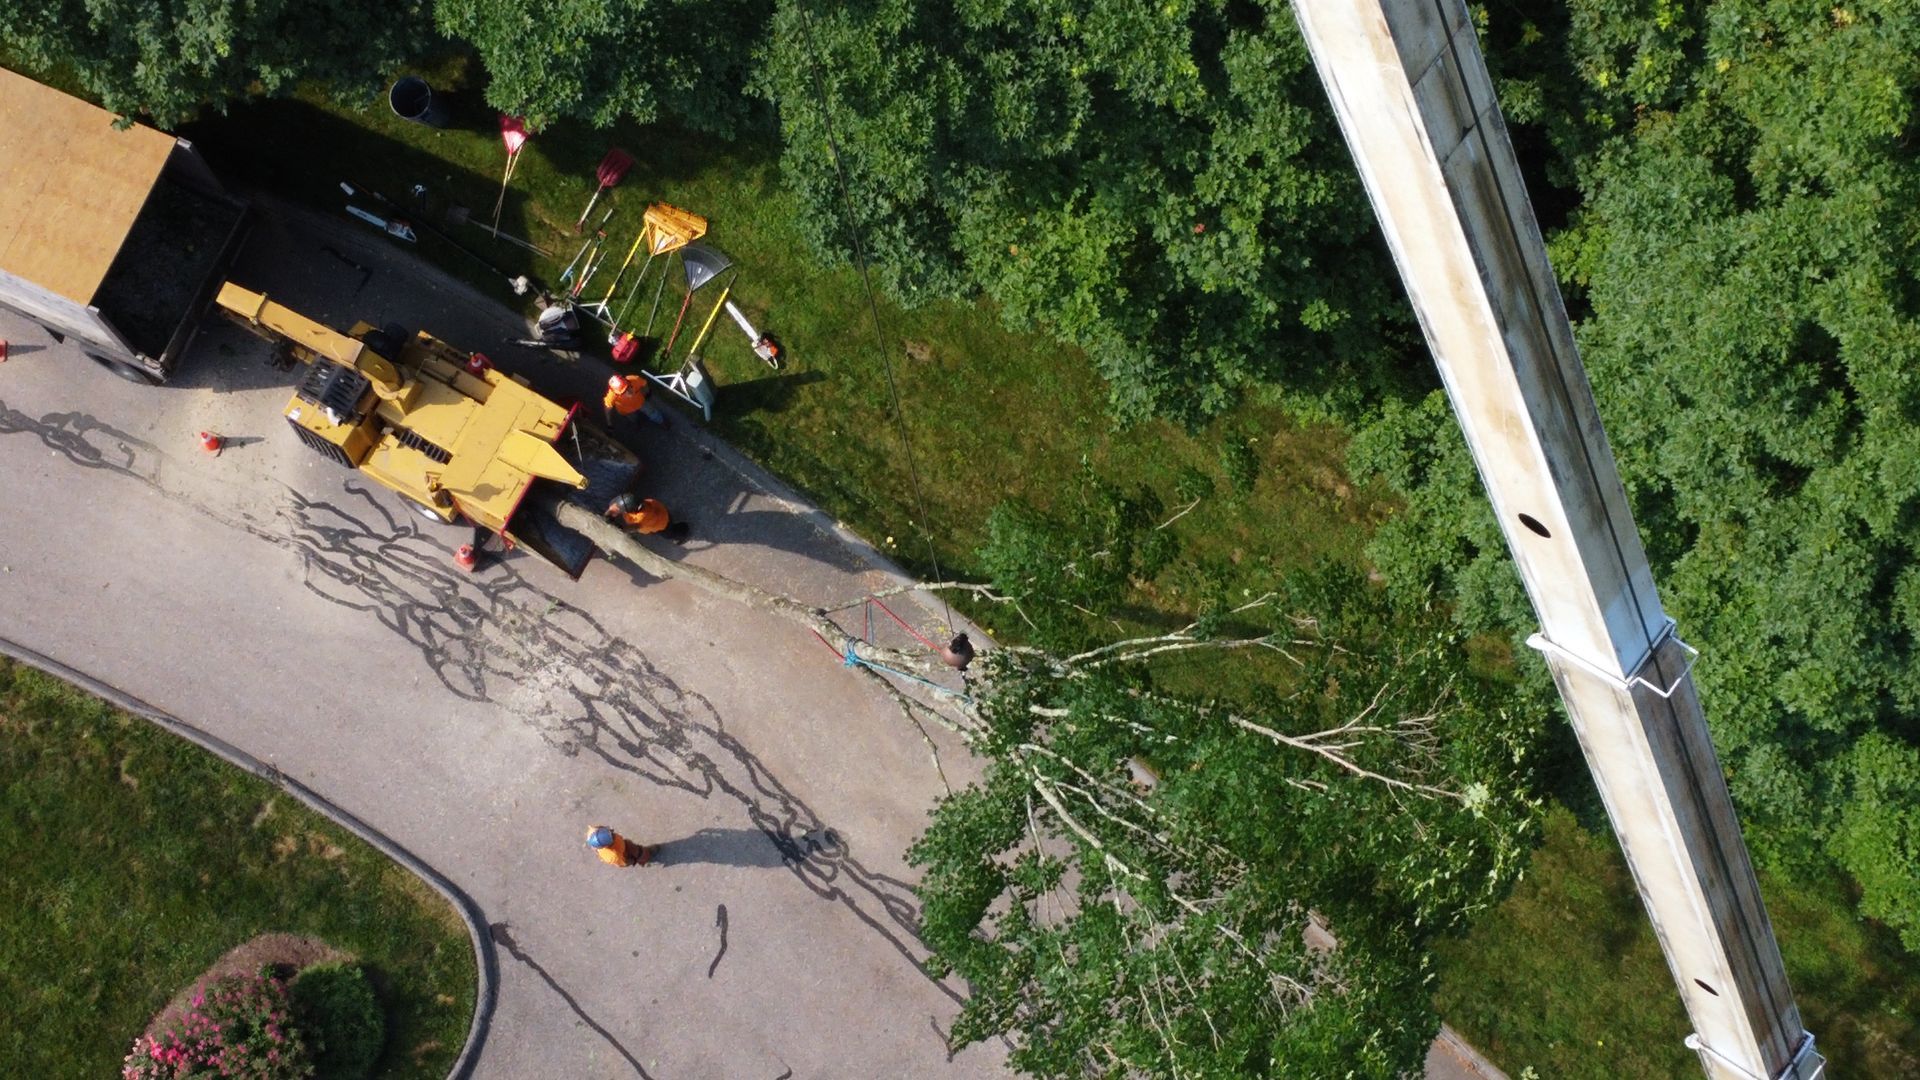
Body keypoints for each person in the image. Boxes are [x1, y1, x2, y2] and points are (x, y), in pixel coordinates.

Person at [605, 491, 691, 544]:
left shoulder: (643, 516)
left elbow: (634, 527)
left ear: (632, 511)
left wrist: (620, 528)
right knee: (663, 528)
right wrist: (607, 515)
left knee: (669, 534)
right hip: (660, 513)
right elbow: (614, 507)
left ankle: (683, 531)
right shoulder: (633, 502)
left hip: (662, 523)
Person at [586, 825, 655, 867]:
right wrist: (634, 860)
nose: (612, 831)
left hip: (623, 844)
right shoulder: (613, 856)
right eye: (612, 836)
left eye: (609, 831)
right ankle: (645, 856)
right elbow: (624, 863)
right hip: (624, 854)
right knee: (640, 854)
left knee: (630, 844)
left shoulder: (594, 831)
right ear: (608, 846)